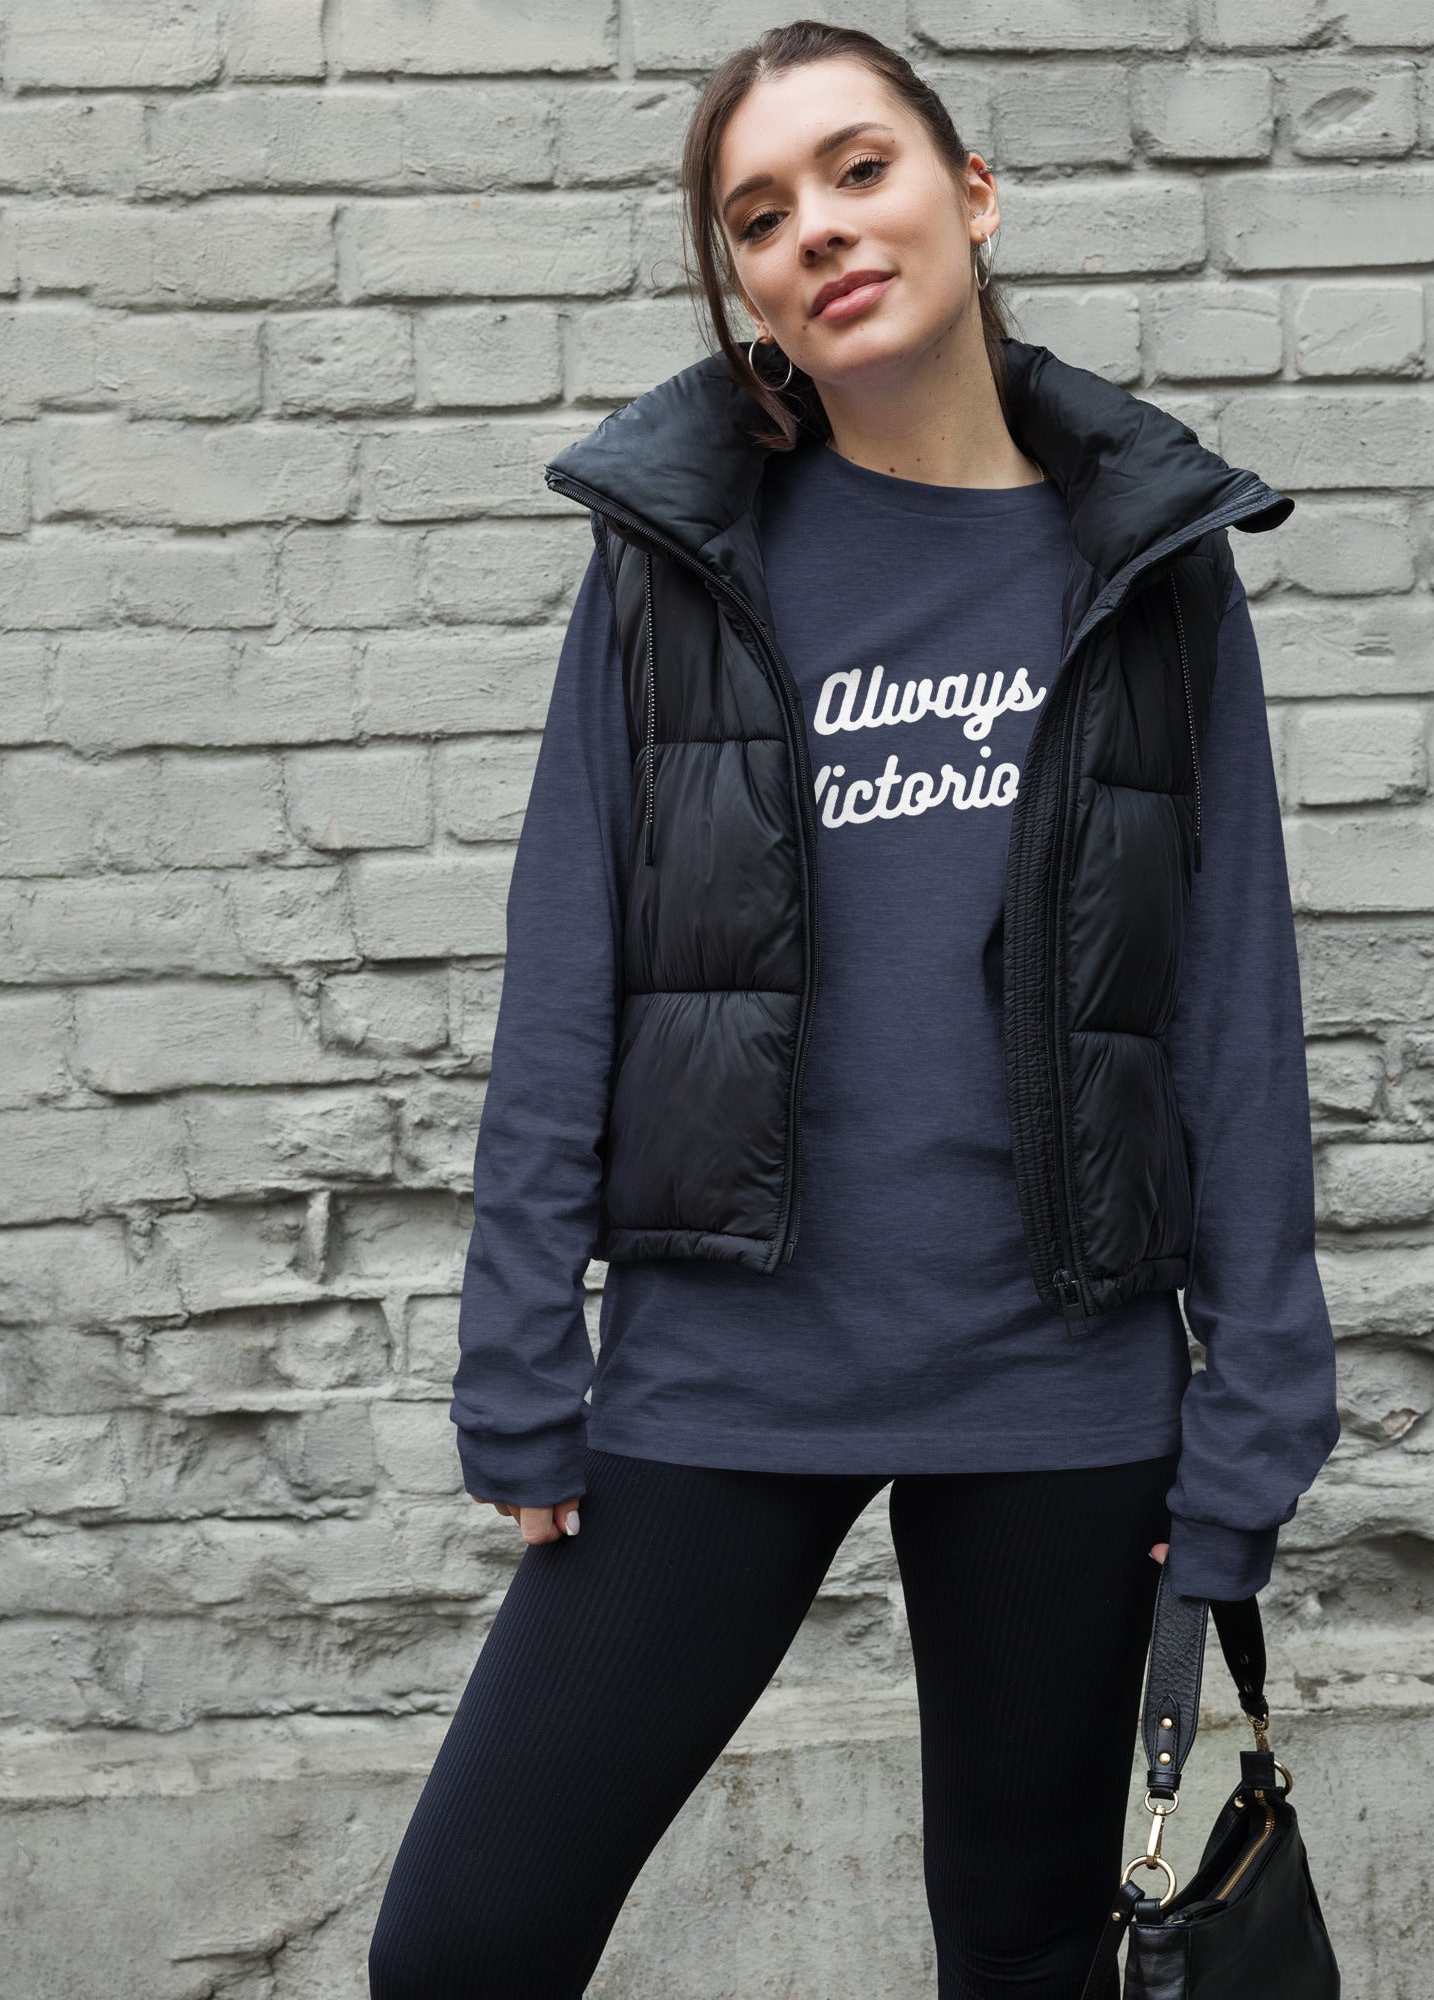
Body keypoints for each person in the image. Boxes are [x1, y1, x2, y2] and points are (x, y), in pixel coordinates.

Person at [367, 20, 1339, 1999]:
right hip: (728, 1365)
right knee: (462, 1946)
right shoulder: (675, 559)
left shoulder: (1150, 568)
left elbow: (1232, 1003)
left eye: (858, 168)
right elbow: (571, 959)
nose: (815, 227)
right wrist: (516, 1344)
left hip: (1058, 1382)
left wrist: (1258, 1411)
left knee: (1021, 1949)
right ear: (743, 288)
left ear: (971, 195)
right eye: (757, 214)